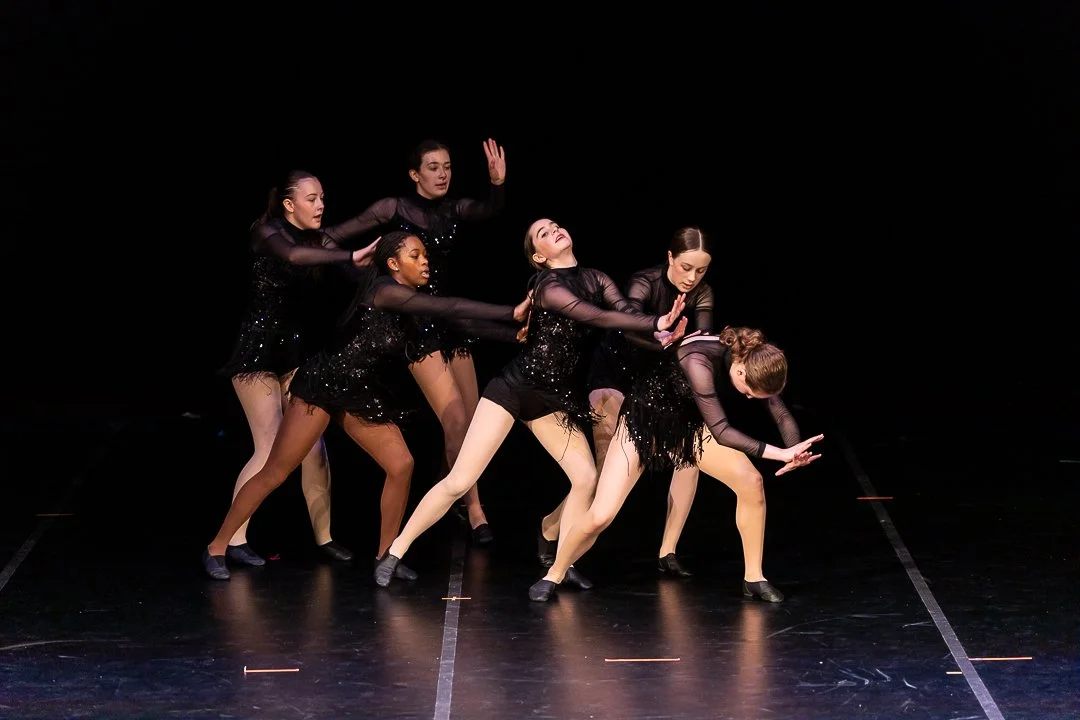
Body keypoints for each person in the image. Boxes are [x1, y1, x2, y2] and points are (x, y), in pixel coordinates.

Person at [373, 217, 689, 588]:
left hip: (552, 398)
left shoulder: (597, 278)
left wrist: (661, 336)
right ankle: (395, 553)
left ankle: (563, 562)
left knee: (586, 478)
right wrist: (655, 323)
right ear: (539, 256)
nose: (554, 229)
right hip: (514, 387)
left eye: (555, 225)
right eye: (543, 233)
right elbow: (596, 316)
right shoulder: (546, 285)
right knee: (461, 479)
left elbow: (625, 320)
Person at [203, 231, 530, 580]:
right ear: (393, 264)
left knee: (401, 464)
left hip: (357, 392)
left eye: (425, 256)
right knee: (276, 471)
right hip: (323, 386)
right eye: (415, 256)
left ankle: (385, 556)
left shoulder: (412, 304)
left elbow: (457, 320)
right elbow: (447, 306)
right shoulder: (384, 291)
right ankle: (217, 546)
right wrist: (511, 312)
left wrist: (513, 334)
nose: (425, 262)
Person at [529, 326, 824, 603]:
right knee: (601, 515)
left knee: (751, 482)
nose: (747, 398)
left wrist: (794, 449)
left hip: (688, 428)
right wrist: (779, 454)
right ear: (740, 369)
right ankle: (554, 573)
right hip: (643, 424)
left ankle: (754, 578)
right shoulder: (697, 360)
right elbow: (721, 432)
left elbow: (781, 412)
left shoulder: (753, 358)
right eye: (747, 391)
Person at [326, 138, 507, 543]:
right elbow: (335, 237)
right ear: (415, 174)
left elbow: (491, 210)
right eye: (433, 167)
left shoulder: (455, 208)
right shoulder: (392, 208)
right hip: (416, 326)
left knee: (471, 423)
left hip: (450, 321)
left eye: (447, 166)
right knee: (456, 419)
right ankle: (475, 509)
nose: (442, 174)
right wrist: (362, 275)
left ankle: (450, 495)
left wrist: (497, 184)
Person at [217, 170, 379, 568]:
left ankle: (324, 537)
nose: (320, 205)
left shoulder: (316, 240)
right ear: (289, 204)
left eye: (323, 197)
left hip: (295, 354)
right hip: (257, 355)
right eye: (311, 199)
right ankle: (230, 541)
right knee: (271, 447)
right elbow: (293, 256)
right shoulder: (267, 232)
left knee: (314, 447)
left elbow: (353, 251)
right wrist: (347, 254)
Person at [538, 227, 715, 577]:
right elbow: (628, 325)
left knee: (690, 453)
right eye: (685, 267)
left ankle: (668, 551)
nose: (692, 278)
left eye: (701, 270)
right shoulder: (644, 282)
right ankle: (553, 530)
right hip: (613, 378)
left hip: (656, 383)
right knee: (608, 474)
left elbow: (701, 342)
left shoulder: (703, 293)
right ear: (669, 258)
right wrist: (664, 338)